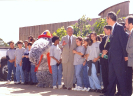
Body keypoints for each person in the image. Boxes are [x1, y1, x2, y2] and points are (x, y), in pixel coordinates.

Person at [104, 11, 128, 96]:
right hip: (112, 58)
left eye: (107, 18)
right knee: (111, 78)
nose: (106, 20)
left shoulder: (119, 27)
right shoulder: (112, 28)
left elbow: (123, 42)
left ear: (110, 18)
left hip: (118, 58)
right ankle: (109, 93)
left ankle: (124, 94)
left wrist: (125, 55)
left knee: (120, 77)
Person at [60, 26, 77, 90]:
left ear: (73, 31)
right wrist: (62, 45)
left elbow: (78, 46)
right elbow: (59, 46)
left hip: (72, 57)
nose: (70, 32)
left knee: (71, 72)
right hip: (65, 57)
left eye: (71, 31)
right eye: (68, 31)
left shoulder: (75, 38)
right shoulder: (63, 38)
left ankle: (70, 86)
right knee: (65, 72)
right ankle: (65, 85)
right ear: (66, 31)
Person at [99, 25, 112, 93]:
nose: (104, 31)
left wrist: (106, 51)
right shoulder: (104, 37)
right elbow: (100, 45)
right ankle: (105, 88)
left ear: (109, 30)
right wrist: (102, 51)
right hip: (103, 59)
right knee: (104, 74)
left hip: (109, 59)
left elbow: (112, 47)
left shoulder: (113, 37)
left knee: (109, 75)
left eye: (105, 30)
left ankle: (109, 89)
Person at [125, 15, 133, 96]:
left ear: (131, 24)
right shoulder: (130, 33)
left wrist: (128, 52)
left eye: (126, 23)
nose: (125, 25)